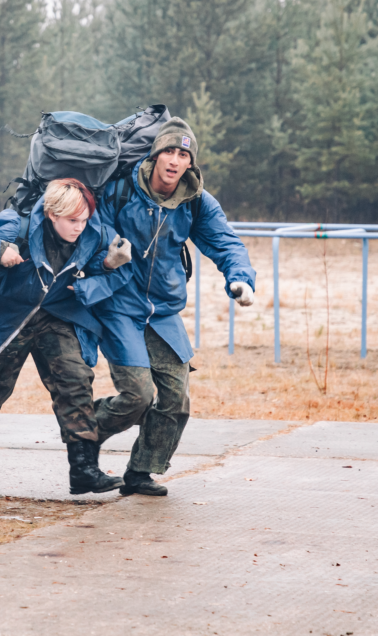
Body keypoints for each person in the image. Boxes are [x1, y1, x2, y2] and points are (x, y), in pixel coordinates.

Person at [93, 117, 256, 496]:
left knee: (174, 397)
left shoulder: (195, 200)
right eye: (169, 150)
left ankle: (141, 471)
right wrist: (107, 256)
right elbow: (93, 230)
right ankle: (81, 433)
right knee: (138, 395)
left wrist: (241, 277)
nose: (175, 160)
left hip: (162, 312)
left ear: (190, 163)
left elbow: (225, 241)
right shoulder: (121, 190)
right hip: (119, 306)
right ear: (155, 155)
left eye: (184, 154)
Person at [0, 178, 133, 497]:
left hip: (57, 314)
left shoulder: (96, 230)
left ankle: (83, 469)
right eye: (72, 221)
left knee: (75, 379)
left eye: (84, 220)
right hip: (9, 317)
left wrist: (108, 265)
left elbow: (113, 271)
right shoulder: (18, 223)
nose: (79, 227)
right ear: (52, 214)